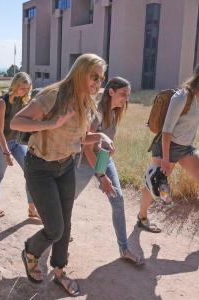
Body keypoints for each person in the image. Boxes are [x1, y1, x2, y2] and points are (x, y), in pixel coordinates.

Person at [11, 53, 113, 296]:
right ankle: (31, 251)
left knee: (65, 225)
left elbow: (79, 138)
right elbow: (16, 122)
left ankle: (59, 271)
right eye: (94, 77)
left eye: (101, 79)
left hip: (66, 166)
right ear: (80, 73)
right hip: (40, 168)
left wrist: (100, 137)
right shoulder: (52, 95)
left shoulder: (87, 101)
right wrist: (50, 124)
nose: (98, 83)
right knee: (54, 228)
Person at [139, 58, 199, 246]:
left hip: (186, 147)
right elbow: (167, 130)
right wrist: (167, 160)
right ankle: (142, 218)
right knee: (155, 186)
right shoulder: (182, 96)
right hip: (167, 146)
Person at [73, 77, 153, 266]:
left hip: (103, 158)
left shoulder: (115, 111)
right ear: (111, 92)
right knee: (67, 201)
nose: (126, 98)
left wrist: (108, 153)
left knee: (118, 200)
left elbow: (104, 142)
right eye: (123, 94)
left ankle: (124, 248)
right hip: (84, 162)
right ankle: (57, 232)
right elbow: (86, 148)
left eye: (128, 95)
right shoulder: (96, 112)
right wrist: (101, 177)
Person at [0, 72, 40, 220]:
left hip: (17, 143)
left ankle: (32, 208)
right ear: (15, 85)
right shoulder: (2, 102)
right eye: (22, 88)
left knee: (30, 173)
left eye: (27, 88)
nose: (24, 91)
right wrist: (6, 153)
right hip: (1, 144)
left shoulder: (25, 101)